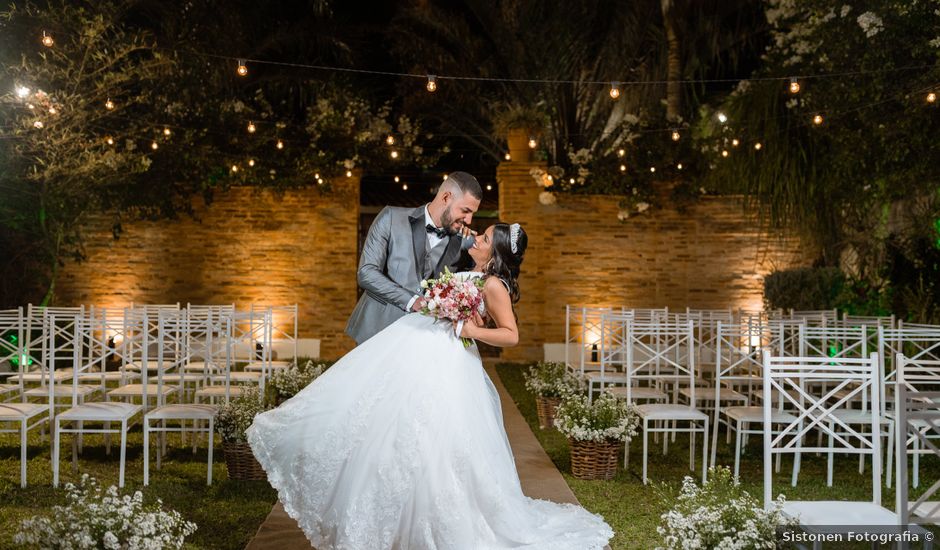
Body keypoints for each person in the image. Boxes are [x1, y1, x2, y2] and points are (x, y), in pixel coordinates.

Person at [247, 222, 614, 549]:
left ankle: (437, 520)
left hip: (449, 362)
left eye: (485, 237)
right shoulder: (468, 270)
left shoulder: (494, 284)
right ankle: (391, 514)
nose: (477, 237)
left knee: (436, 437)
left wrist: (472, 329)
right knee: (387, 422)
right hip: (416, 347)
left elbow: (511, 335)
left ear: (496, 251)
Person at [345, 171, 481, 345]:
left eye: (472, 213)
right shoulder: (391, 218)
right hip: (377, 330)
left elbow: (474, 282)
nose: (469, 220)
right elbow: (366, 272)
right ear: (446, 197)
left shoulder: (464, 241)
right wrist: (413, 301)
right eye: (465, 210)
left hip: (421, 340)